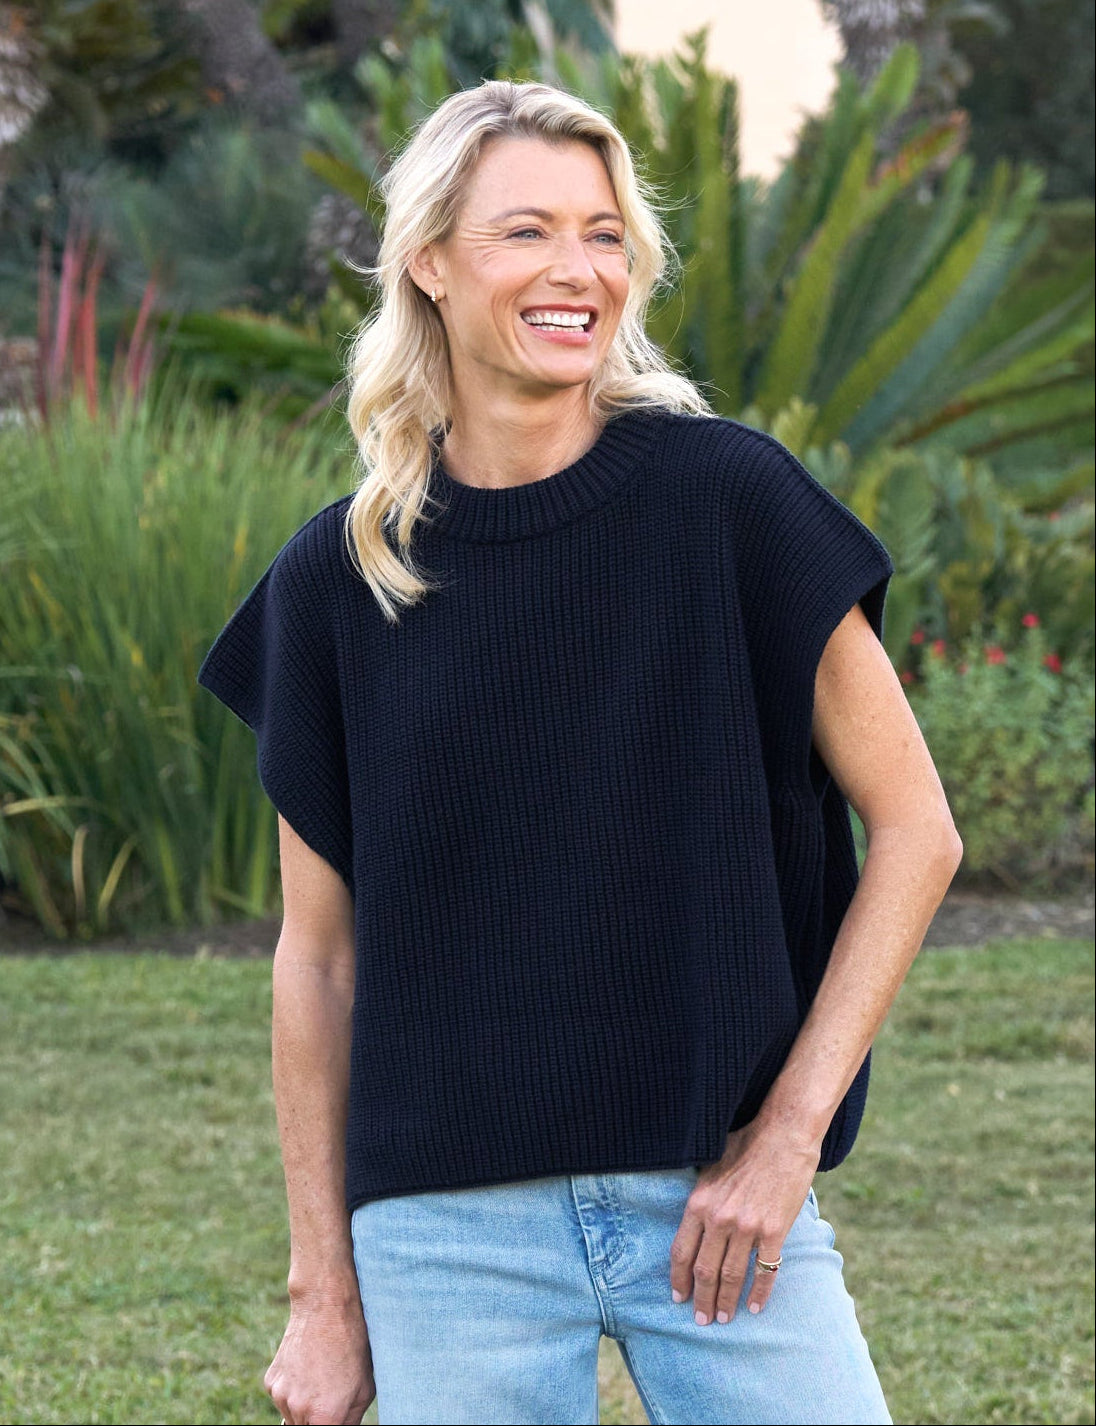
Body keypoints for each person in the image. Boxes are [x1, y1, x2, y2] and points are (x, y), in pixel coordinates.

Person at [198, 78, 962, 1426]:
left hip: (721, 1203)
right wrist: (327, 1292)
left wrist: (784, 1141)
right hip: (447, 1235)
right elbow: (317, 959)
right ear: (429, 262)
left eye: (605, 233)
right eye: (527, 232)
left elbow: (918, 829)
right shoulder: (341, 576)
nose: (578, 271)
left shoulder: (730, 502)